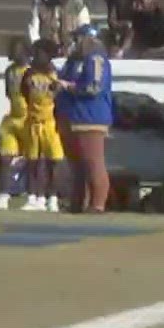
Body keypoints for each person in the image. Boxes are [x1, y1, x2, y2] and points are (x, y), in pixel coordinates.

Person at [59, 25, 114, 213]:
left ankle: (97, 203)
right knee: (76, 165)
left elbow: (93, 87)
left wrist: (69, 87)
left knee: (93, 162)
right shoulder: (72, 61)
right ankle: (77, 202)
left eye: (78, 39)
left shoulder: (97, 59)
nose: (75, 43)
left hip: (91, 117)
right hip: (71, 116)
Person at [20, 39, 67, 212]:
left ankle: (52, 198)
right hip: (33, 122)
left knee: (53, 161)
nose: (36, 56)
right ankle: (34, 197)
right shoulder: (29, 74)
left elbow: (60, 96)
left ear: (48, 55)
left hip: (50, 123)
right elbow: (24, 93)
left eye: (40, 53)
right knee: (33, 161)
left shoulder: (55, 73)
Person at [0, 37, 31, 210]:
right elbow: (9, 93)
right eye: (13, 50)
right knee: (5, 157)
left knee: (36, 159)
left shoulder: (31, 71)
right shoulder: (10, 71)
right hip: (13, 117)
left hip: (29, 119)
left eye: (18, 50)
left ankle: (36, 195)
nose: (15, 54)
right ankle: (3, 195)